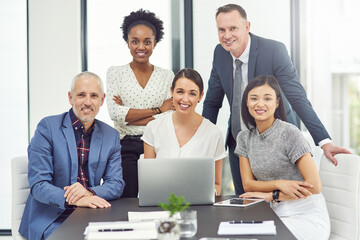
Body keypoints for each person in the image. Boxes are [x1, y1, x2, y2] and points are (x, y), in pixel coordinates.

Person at [202, 3, 351, 195]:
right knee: (246, 201)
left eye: (233, 28)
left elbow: (297, 96)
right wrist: (202, 142)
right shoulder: (220, 52)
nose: (227, 35)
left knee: (281, 203)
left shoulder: (273, 51)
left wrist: (324, 141)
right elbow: (212, 102)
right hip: (240, 143)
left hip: (277, 145)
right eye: (221, 30)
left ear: (247, 27)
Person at [19, 72, 125, 240]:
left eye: (94, 96)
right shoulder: (47, 128)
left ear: (102, 100)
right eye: (81, 95)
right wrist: (74, 199)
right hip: (52, 217)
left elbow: (116, 183)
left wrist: (88, 192)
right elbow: (38, 185)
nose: (88, 102)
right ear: (70, 97)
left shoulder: (110, 135)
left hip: (91, 215)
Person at [236, 75, 330, 239]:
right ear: (246, 102)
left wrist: (273, 195)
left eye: (267, 98)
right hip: (274, 212)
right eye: (254, 98)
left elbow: (314, 186)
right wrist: (280, 184)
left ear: (277, 102)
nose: (260, 104)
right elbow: (248, 185)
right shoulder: (244, 138)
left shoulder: (290, 133)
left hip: (306, 212)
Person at [106, 9, 175, 198]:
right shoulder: (115, 73)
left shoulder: (166, 76)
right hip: (126, 146)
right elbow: (115, 114)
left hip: (158, 144)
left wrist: (130, 116)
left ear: (155, 42)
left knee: (159, 199)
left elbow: (169, 118)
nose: (141, 47)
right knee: (126, 199)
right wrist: (159, 109)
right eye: (135, 41)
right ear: (127, 42)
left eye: (147, 41)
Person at [142, 68, 226, 195]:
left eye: (192, 94)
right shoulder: (153, 128)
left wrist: (206, 194)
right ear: (171, 92)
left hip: (200, 208)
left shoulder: (214, 134)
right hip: (162, 205)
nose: (185, 99)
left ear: (200, 96)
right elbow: (148, 181)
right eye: (180, 92)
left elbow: (217, 185)